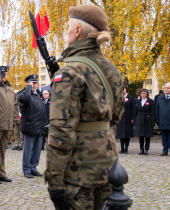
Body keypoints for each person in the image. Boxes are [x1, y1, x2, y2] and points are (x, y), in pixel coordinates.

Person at [44, 5, 124, 210]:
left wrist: (54, 183)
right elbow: (115, 116)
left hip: (78, 170)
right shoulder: (111, 69)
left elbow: (60, 131)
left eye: (69, 27)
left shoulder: (69, 72)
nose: (67, 31)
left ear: (78, 31)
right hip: (108, 163)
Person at [17, 74, 46, 179]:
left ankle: (33, 167)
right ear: (28, 84)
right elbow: (25, 99)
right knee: (28, 151)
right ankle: (26, 169)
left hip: (39, 126)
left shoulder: (38, 94)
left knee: (37, 150)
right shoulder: (23, 94)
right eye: (32, 83)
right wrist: (28, 88)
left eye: (36, 83)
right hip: (29, 126)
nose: (35, 85)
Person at [134, 89, 155, 155]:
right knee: (141, 135)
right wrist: (135, 120)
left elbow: (153, 112)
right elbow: (135, 111)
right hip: (139, 119)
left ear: (147, 94)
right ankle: (141, 149)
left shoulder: (151, 101)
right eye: (142, 93)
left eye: (144, 93)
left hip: (147, 119)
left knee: (147, 135)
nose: (143, 94)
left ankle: (146, 149)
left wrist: (153, 121)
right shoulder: (138, 101)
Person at [116, 85, 135, 154]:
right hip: (120, 118)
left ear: (126, 90)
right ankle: (121, 148)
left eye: (124, 89)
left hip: (128, 118)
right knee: (121, 134)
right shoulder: (118, 98)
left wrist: (132, 118)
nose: (123, 90)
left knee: (127, 134)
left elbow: (133, 108)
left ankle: (126, 147)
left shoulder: (130, 98)